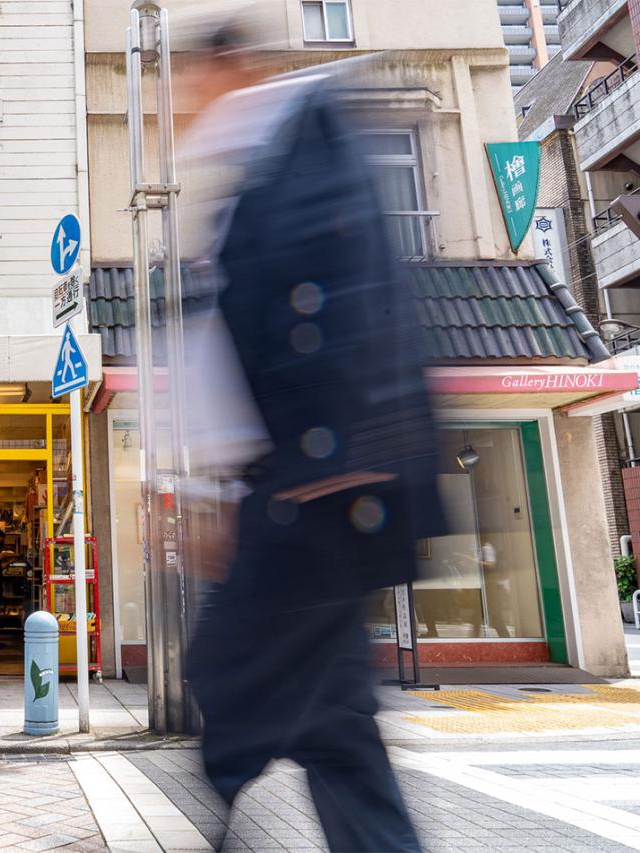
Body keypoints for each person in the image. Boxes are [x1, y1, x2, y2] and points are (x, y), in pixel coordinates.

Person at [176, 18, 443, 853]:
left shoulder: (296, 142)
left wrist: (328, 451)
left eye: (190, 76)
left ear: (231, 66)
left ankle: (219, 818)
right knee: (337, 727)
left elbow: (341, 294)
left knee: (223, 673)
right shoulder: (262, 157)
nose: (182, 97)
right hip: (306, 489)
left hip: (310, 492)